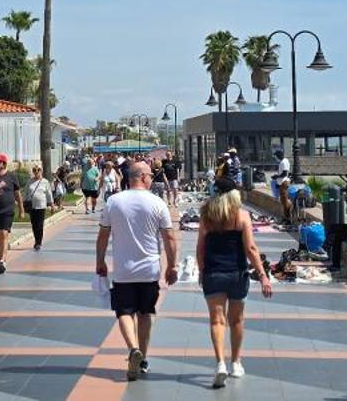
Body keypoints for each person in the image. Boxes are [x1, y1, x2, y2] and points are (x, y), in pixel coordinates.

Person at [96, 160, 179, 382]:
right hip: (150, 269)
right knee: (145, 313)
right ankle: (143, 360)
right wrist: (172, 265)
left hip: (123, 270)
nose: (152, 178)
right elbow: (169, 236)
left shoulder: (113, 202)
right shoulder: (157, 203)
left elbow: (103, 235)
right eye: (150, 175)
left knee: (124, 312)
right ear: (143, 176)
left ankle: (133, 349)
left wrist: (100, 261)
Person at [197, 187, 273, 387]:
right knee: (237, 320)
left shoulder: (207, 216)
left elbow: (200, 248)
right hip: (237, 274)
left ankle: (220, 363)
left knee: (217, 321)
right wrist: (263, 276)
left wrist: (201, 271)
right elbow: (250, 248)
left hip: (213, 273)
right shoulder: (241, 216)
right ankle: (236, 363)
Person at [25, 163, 54, 250]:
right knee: (34, 224)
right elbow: (26, 193)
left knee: (40, 224)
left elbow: (49, 194)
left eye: (38, 170)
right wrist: (23, 203)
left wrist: (52, 205)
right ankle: (36, 240)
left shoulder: (45, 182)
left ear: (41, 171)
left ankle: (39, 242)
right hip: (32, 206)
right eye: (34, 170)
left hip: (41, 206)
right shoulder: (30, 181)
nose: (36, 172)